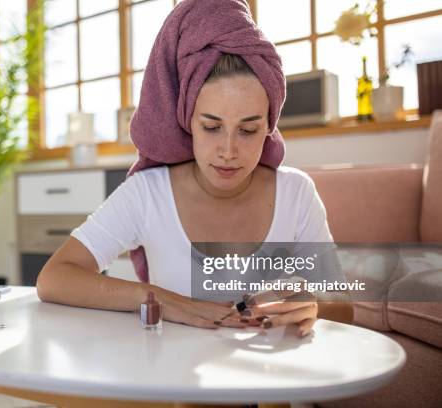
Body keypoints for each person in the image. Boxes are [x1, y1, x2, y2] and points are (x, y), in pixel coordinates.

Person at [36, 0, 353, 337]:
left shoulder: (296, 193)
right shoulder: (148, 193)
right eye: (211, 127)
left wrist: (315, 302)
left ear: (269, 126)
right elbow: (54, 278)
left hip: (273, 382)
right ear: (188, 121)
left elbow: (343, 305)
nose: (228, 151)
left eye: (248, 130)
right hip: (172, 383)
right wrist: (159, 299)